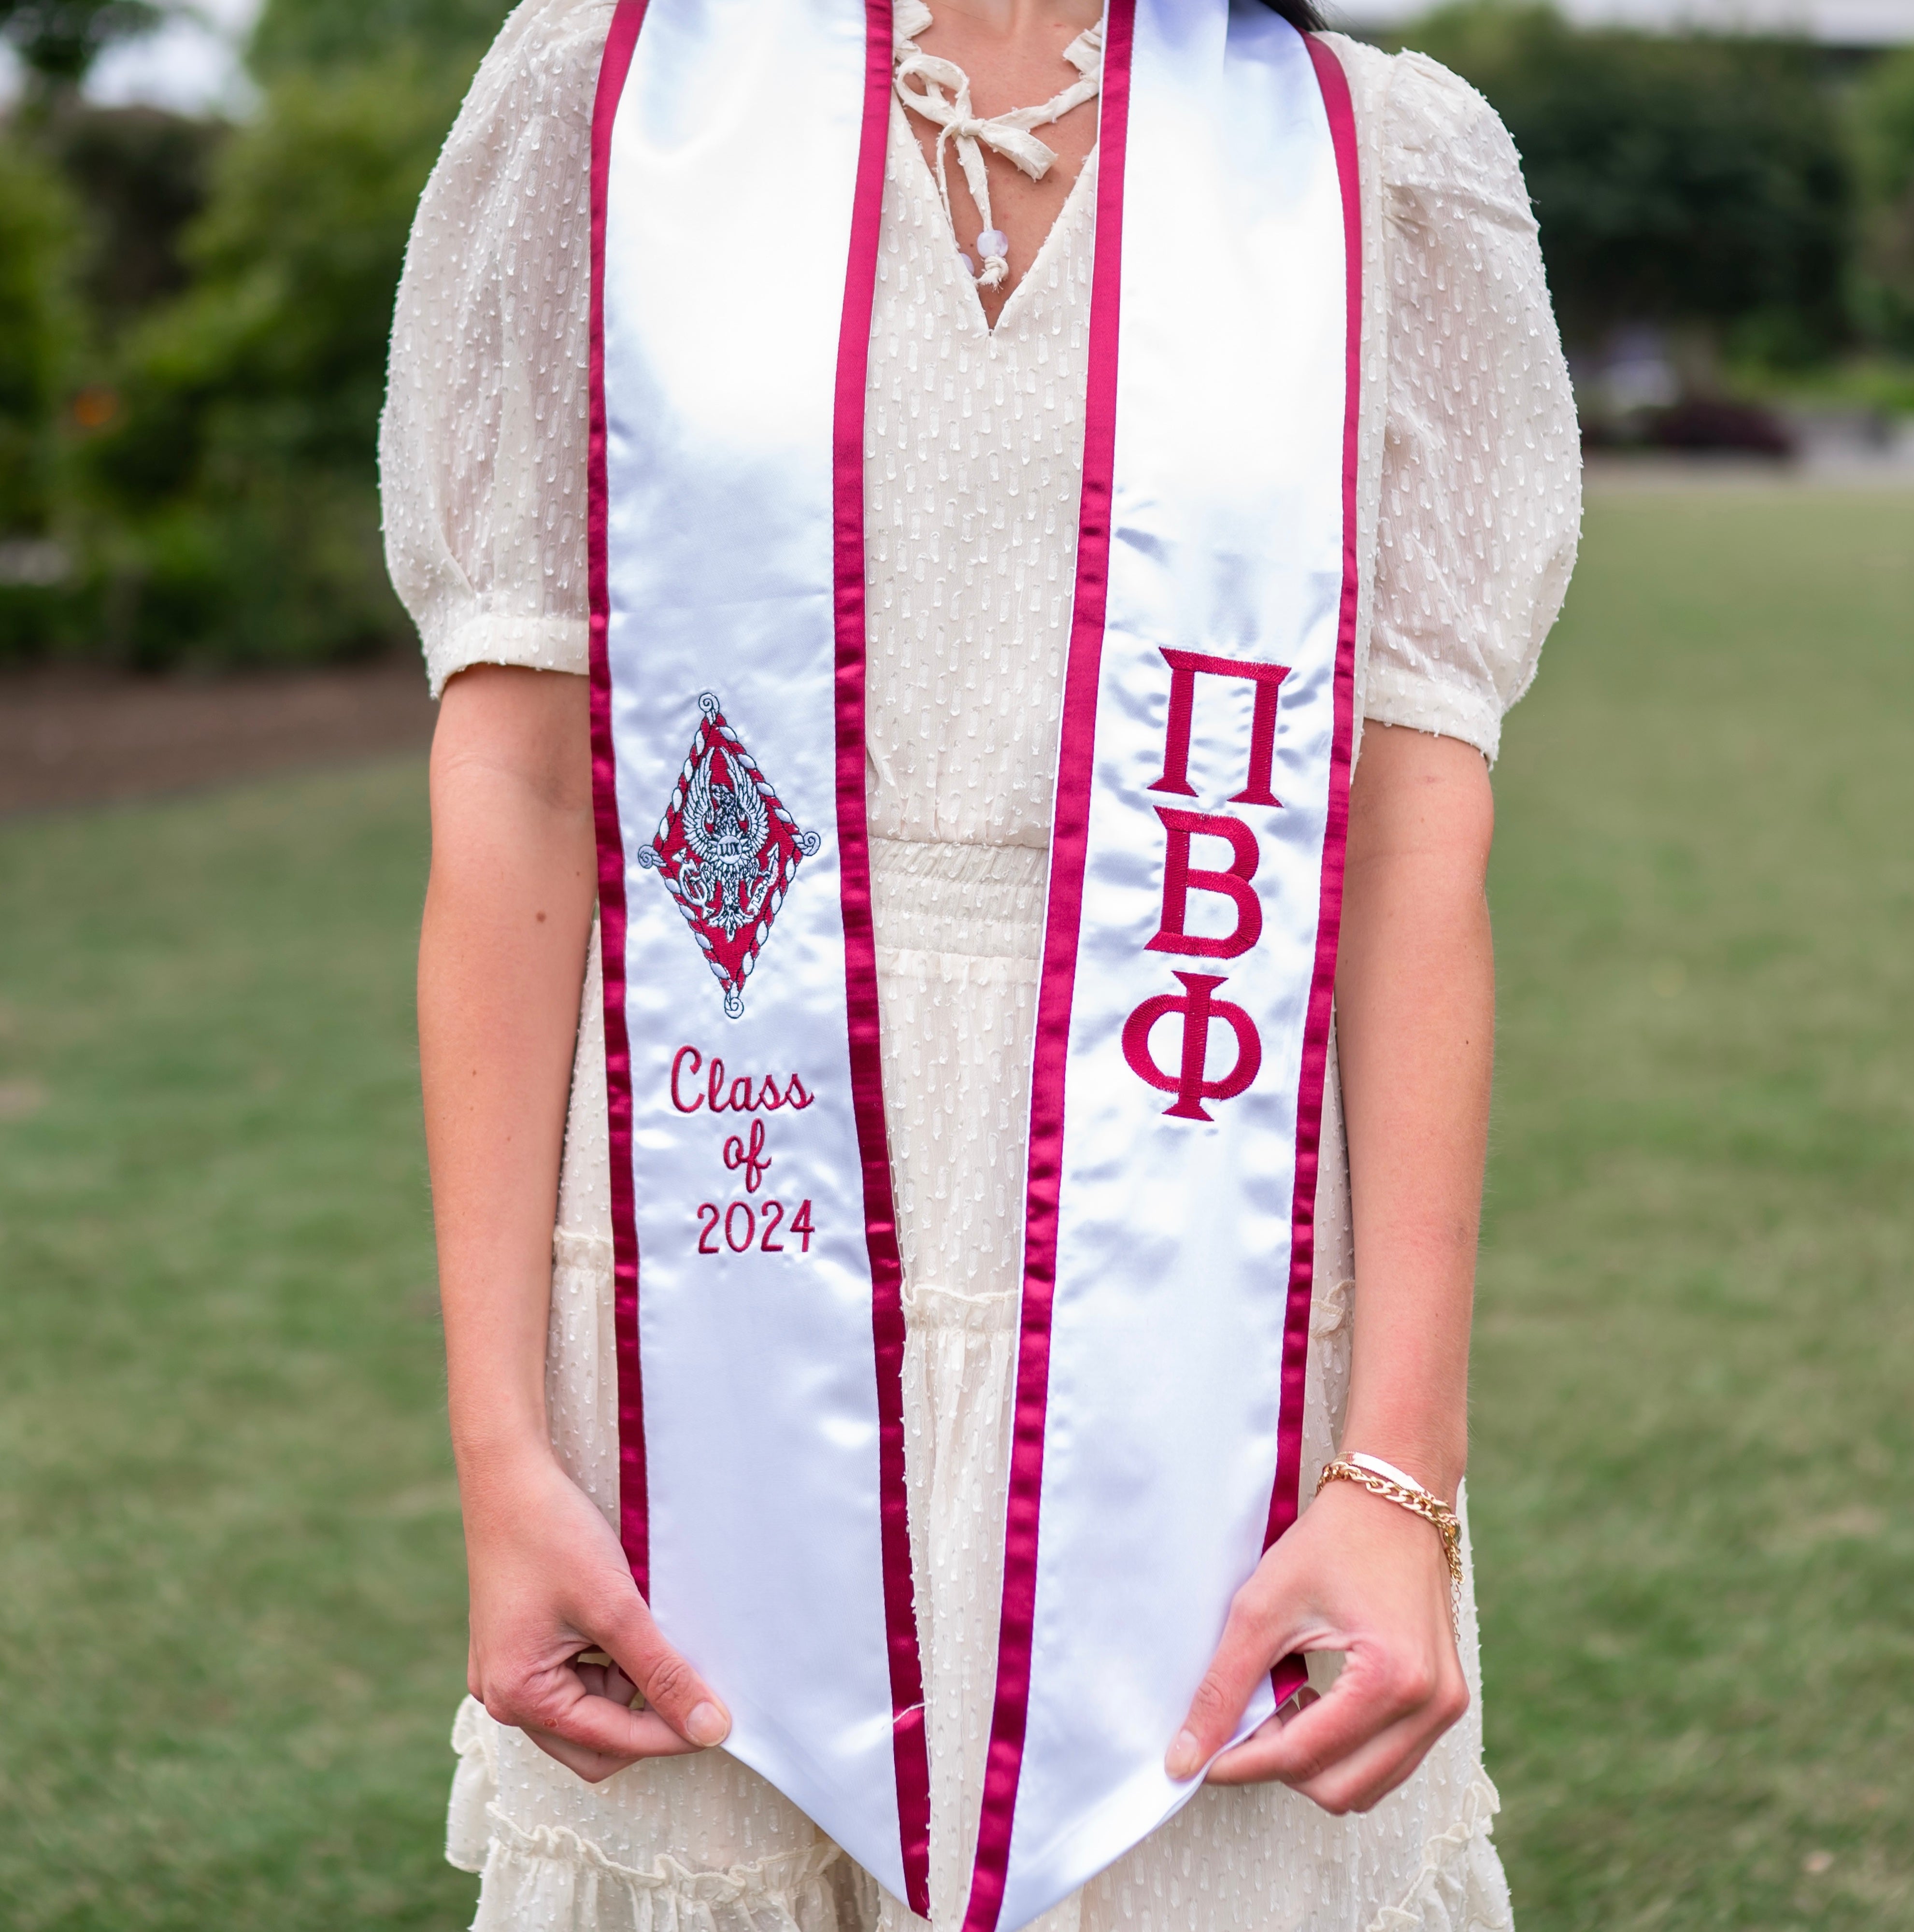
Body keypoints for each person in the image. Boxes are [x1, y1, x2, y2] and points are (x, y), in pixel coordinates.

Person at [381, 0, 1580, 1925]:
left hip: (1206, 1256)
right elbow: (517, 779)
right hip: (721, 1249)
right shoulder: (618, 98)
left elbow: (1411, 842)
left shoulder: (1379, 164)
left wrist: (1399, 1474)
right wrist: (501, 1447)